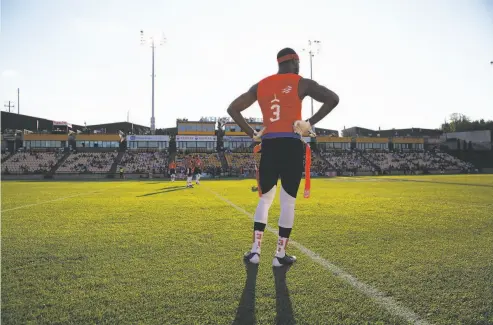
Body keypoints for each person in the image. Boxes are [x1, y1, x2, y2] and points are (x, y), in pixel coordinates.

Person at [227, 47, 339, 267]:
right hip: (291, 144)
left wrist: (253, 133)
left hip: (269, 145)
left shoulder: (261, 85)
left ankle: (255, 251)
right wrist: (309, 122)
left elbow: (233, 108)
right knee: (288, 202)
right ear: (296, 62)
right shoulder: (301, 82)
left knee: (265, 199)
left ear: (278, 63)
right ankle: (279, 255)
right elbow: (333, 99)